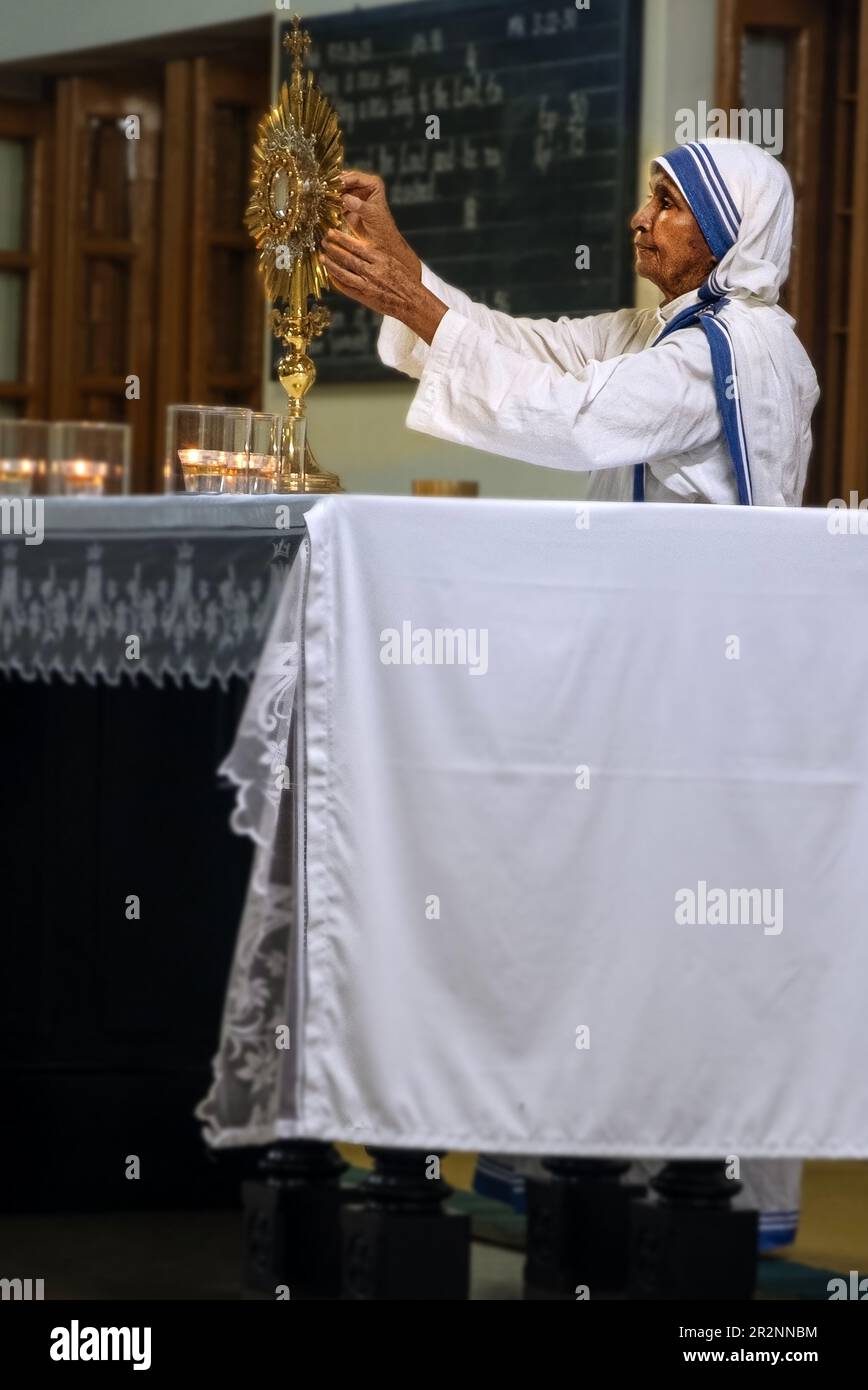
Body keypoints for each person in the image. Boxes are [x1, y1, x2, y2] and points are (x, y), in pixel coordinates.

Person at [321, 138, 819, 505]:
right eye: (650, 198)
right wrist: (396, 257)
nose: (640, 218)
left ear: (725, 236)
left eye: (667, 204)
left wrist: (411, 303)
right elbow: (521, 345)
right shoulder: (655, 329)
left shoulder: (724, 352)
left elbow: (573, 416)